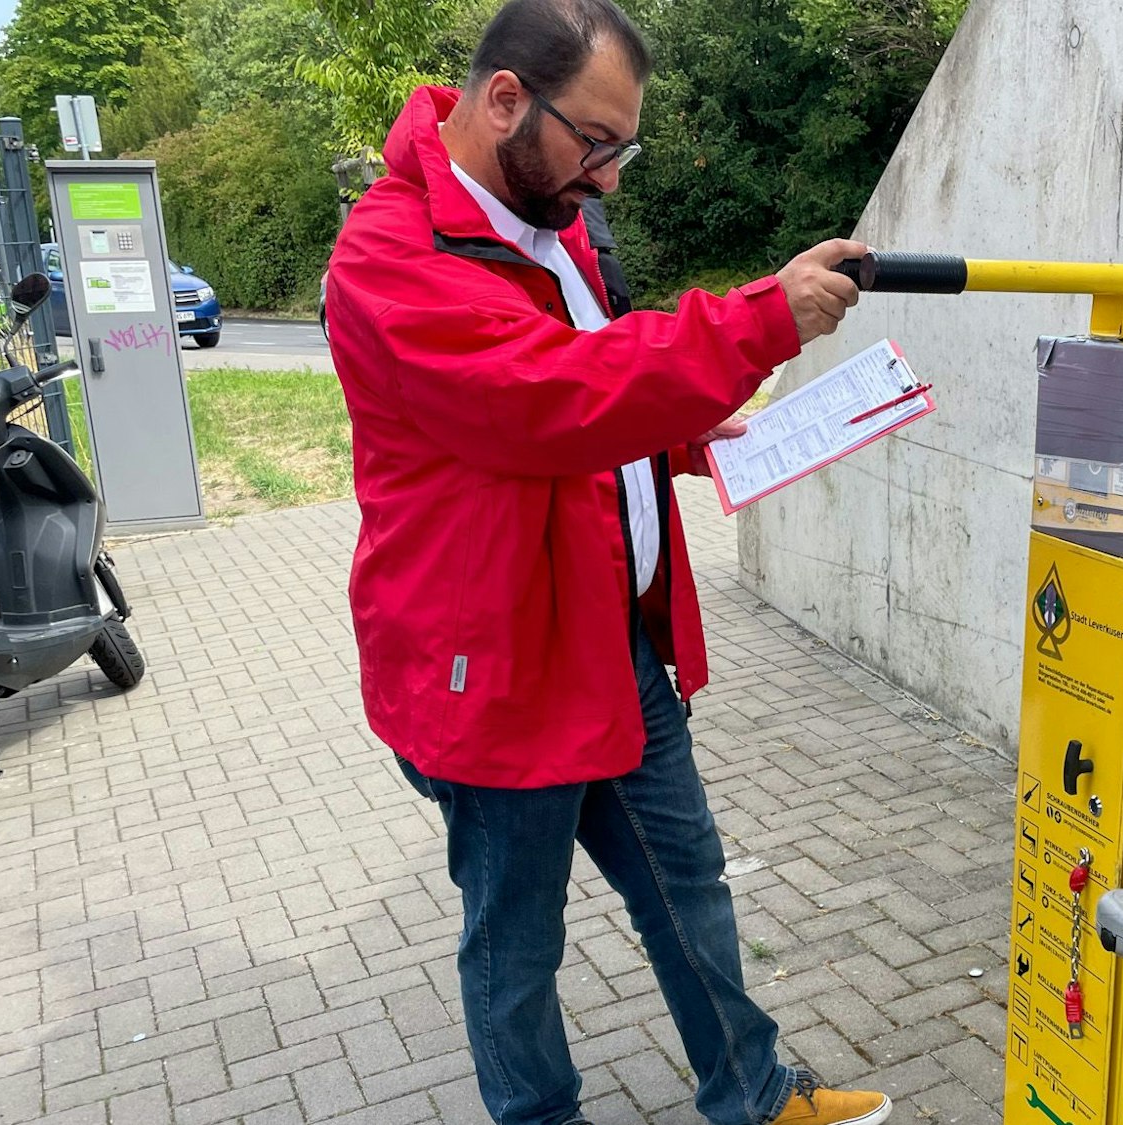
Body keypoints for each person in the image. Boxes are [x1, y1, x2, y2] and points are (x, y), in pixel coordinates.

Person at [322, 2, 891, 1124]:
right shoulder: (390, 255)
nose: (610, 179)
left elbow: (584, 398)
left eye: (623, 149)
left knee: (689, 887)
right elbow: (544, 398)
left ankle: (753, 1092)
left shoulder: (552, 218)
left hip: (609, 639)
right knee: (516, 942)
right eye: (596, 144)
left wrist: (678, 438)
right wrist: (756, 322)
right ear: (504, 100)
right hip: (494, 667)